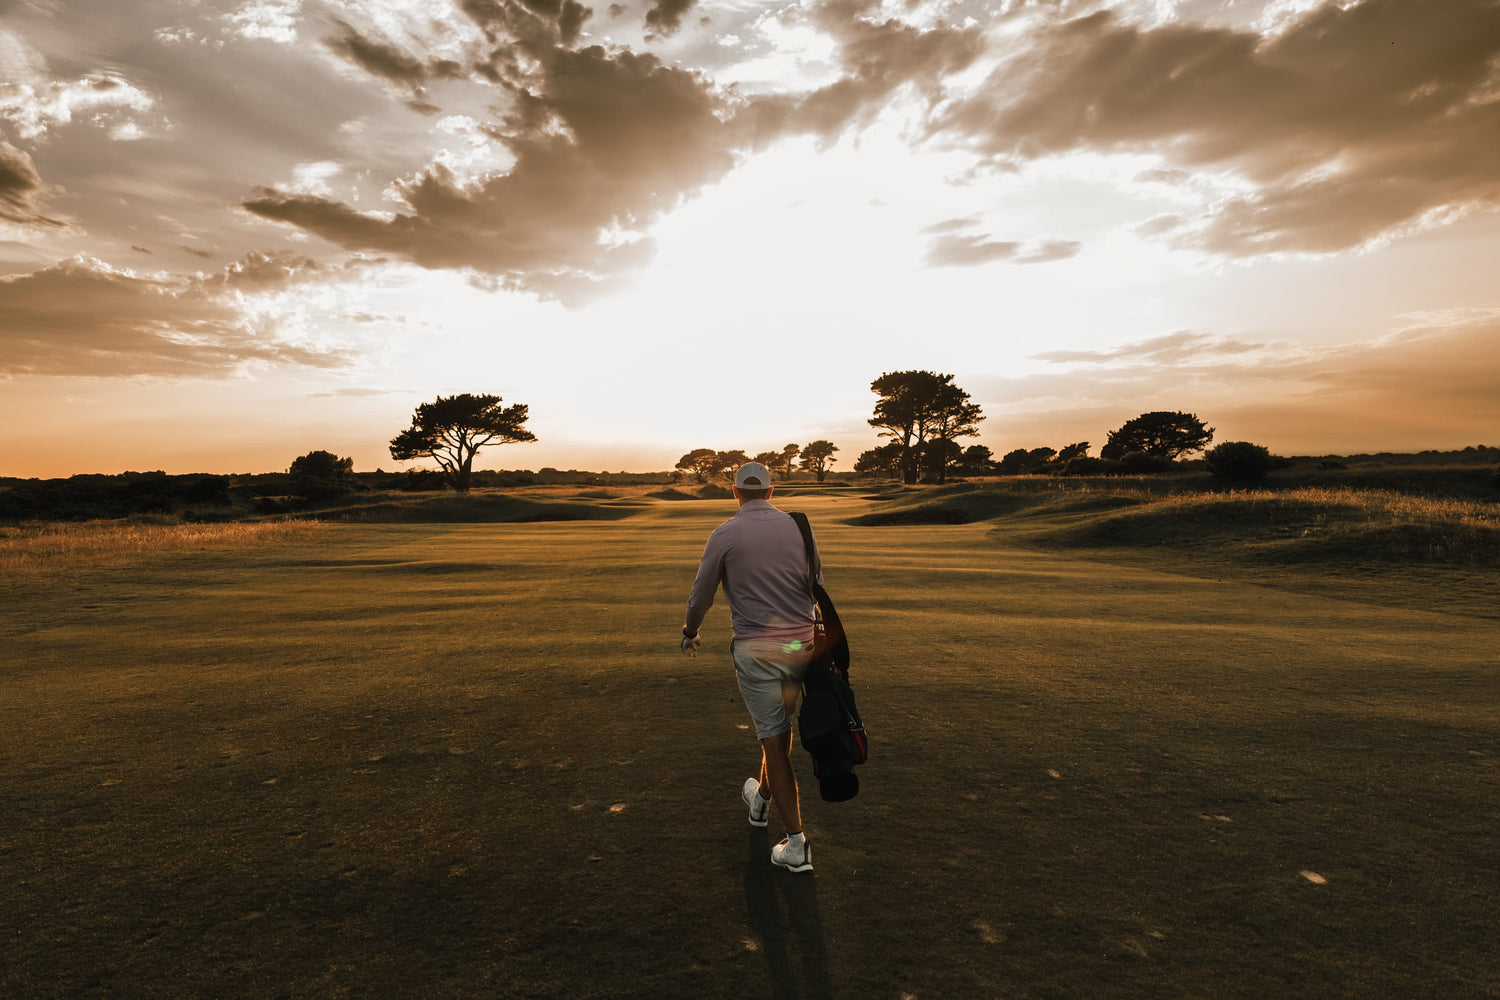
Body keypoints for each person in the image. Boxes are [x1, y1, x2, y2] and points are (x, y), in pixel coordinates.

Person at [681, 461, 822, 873]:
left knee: (774, 741)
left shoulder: (725, 533)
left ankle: (797, 846)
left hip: (758, 649)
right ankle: (760, 801)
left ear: (735, 492)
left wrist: (690, 631)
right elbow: (816, 581)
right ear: (772, 491)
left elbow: (700, 595)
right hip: (801, 645)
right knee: (777, 731)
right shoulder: (800, 528)